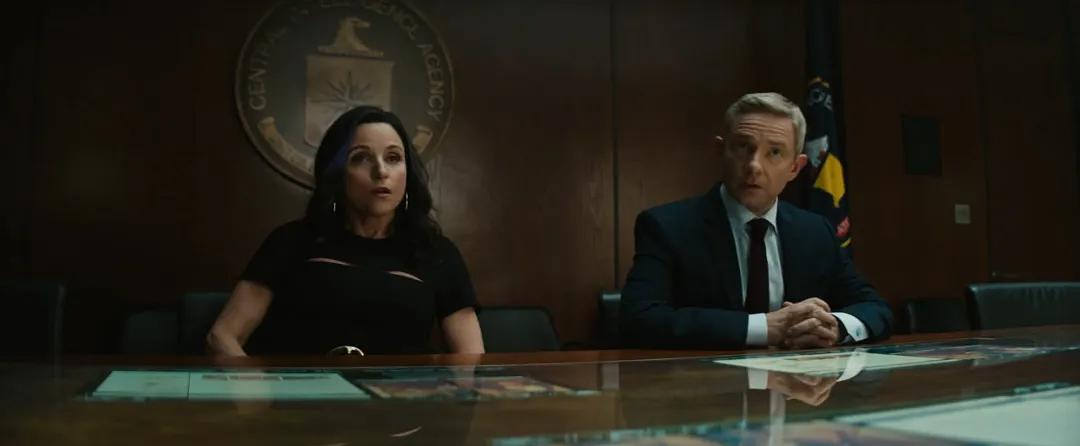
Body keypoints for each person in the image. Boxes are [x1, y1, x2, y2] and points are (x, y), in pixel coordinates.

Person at [620, 92, 892, 349]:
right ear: (720, 150)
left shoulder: (815, 231)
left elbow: (875, 308)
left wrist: (836, 327)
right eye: (742, 147)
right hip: (704, 380)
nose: (754, 166)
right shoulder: (667, 226)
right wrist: (764, 327)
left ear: (795, 168)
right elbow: (638, 319)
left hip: (798, 381)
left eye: (774, 152)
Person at [207, 106, 484, 356]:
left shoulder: (437, 252)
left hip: (400, 396)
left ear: (407, 173)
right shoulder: (291, 241)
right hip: (303, 395)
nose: (381, 171)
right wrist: (255, 388)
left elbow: (471, 359)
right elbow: (222, 337)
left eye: (393, 158)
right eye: (361, 158)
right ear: (337, 173)